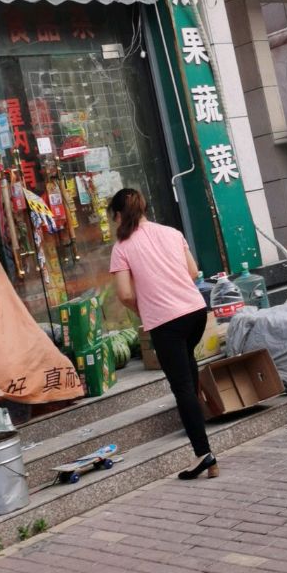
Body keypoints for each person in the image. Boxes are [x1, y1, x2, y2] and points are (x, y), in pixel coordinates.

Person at [108, 187, 218, 480]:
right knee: (189, 375)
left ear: (119, 215)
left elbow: (124, 293)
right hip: (195, 312)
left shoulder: (122, 247)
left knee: (182, 388)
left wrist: (144, 309)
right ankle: (209, 459)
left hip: (165, 322)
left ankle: (203, 454)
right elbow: (194, 272)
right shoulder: (171, 232)